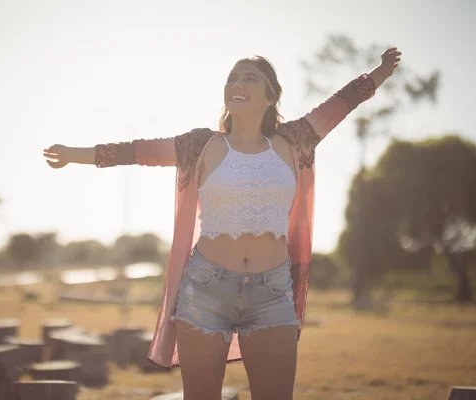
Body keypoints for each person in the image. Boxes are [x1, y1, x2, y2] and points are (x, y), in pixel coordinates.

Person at [43, 47, 401, 400]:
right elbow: (135, 152)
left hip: (272, 294)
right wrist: (71, 155)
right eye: (232, 78)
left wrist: (382, 70)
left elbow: (343, 102)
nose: (238, 84)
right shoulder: (200, 145)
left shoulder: (295, 141)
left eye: (250, 78)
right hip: (205, 291)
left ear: (271, 95)